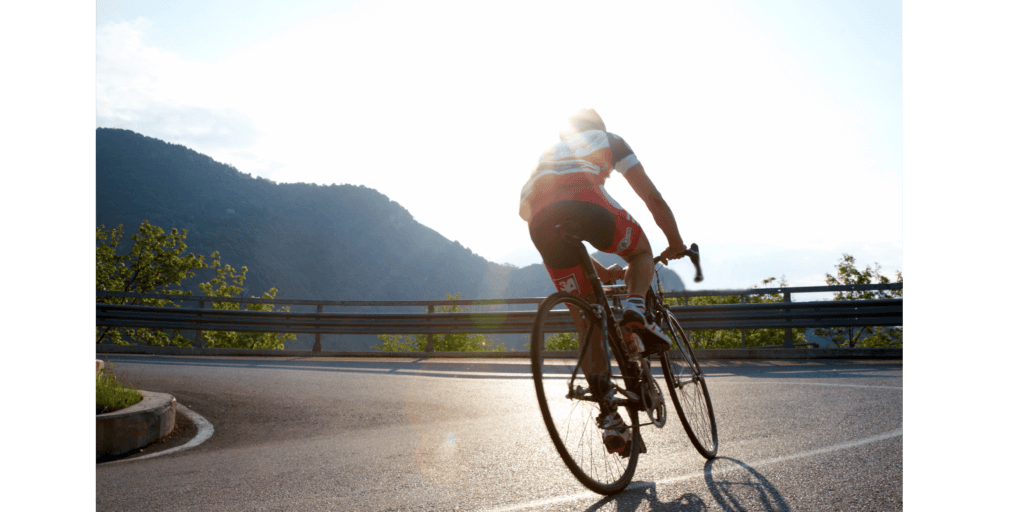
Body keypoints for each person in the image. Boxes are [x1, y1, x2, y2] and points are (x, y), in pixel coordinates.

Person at [520, 108, 689, 454]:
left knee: (586, 319)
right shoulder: (609, 140)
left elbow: (537, 215)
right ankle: (635, 309)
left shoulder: (547, 155)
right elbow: (652, 197)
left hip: (539, 221)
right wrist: (675, 241)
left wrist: (601, 271)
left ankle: (610, 417)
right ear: (597, 127)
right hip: (587, 204)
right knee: (641, 252)